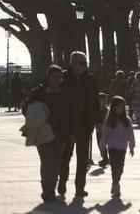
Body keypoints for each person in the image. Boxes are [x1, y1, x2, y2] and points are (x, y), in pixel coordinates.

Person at [23, 65, 78, 203]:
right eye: (54, 77)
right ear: (48, 78)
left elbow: (73, 114)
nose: (57, 80)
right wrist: (38, 115)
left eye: (59, 78)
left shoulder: (67, 93)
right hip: (43, 132)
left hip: (62, 133)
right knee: (47, 160)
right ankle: (46, 189)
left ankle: (51, 188)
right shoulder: (39, 92)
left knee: (56, 162)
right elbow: (26, 109)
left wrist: (72, 133)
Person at [59, 51, 99, 198]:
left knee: (82, 158)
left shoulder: (90, 79)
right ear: (73, 64)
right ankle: (62, 182)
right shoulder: (63, 78)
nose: (84, 66)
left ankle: (80, 188)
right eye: (81, 63)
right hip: (68, 123)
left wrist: (99, 120)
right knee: (65, 156)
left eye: (85, 63)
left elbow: (95, 100)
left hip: (85, 122)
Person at [100, 96, 135, 198]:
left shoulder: (127, 121)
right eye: (119, 107)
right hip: (112, 148)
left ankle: (115, 182)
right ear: (113, 107)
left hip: (122, 148)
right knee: (114, 167)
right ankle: (116, 185)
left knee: (120, 168)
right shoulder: (109, 121)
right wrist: (102, 148)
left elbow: (131, 134)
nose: (121, 109)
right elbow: (104, 135)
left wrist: (132, 147)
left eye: (122, 107)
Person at [95, 93, 110, 167]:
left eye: (103, 100)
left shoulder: (106, 110)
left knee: (103, 144)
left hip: (105, 130)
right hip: (98, 129)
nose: (101, 102)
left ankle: (105, 158)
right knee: (99, 144)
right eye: (100, 100)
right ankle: (104, 157)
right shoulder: (97, 109)